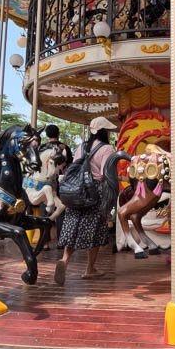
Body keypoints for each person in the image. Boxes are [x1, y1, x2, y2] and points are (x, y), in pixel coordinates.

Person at [54, 116, 116, 285]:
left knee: (73, 226)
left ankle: (65, 259)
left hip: (76, 191)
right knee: (95, 229)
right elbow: (104, 173)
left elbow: (75, 167)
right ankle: (90, 269)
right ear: (104, 131)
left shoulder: (81, 146)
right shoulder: (107, 148)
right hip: (94, 192)